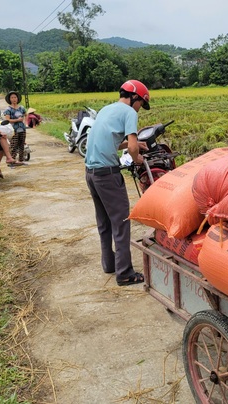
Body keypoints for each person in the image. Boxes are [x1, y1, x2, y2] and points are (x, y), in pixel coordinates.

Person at [84, 79, 150, 286]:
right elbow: (131, 150)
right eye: (141, 103)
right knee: (121, 222)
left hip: (91, 173)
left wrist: (134, 145)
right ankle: (125, 273)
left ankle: (110, 264)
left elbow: (111, 141)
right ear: (135, 98)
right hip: (107, 175)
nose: (140, 108)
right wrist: (138, 156)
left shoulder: (107, 109)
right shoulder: (130, 112)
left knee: (104, 222)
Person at [4, 91, 27, 166]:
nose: (14, 99)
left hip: (22, 129)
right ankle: (12, 160)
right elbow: (7, 120)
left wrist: (25, 123)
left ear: (17, 99)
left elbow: (25, 115)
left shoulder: (22, 108)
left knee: (22, 144)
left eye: (15, 97)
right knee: (14, 145)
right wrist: (17, 120)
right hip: (13, 129)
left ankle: (21, 160)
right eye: (12, 97)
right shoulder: (8, 109)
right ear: (10, 99)